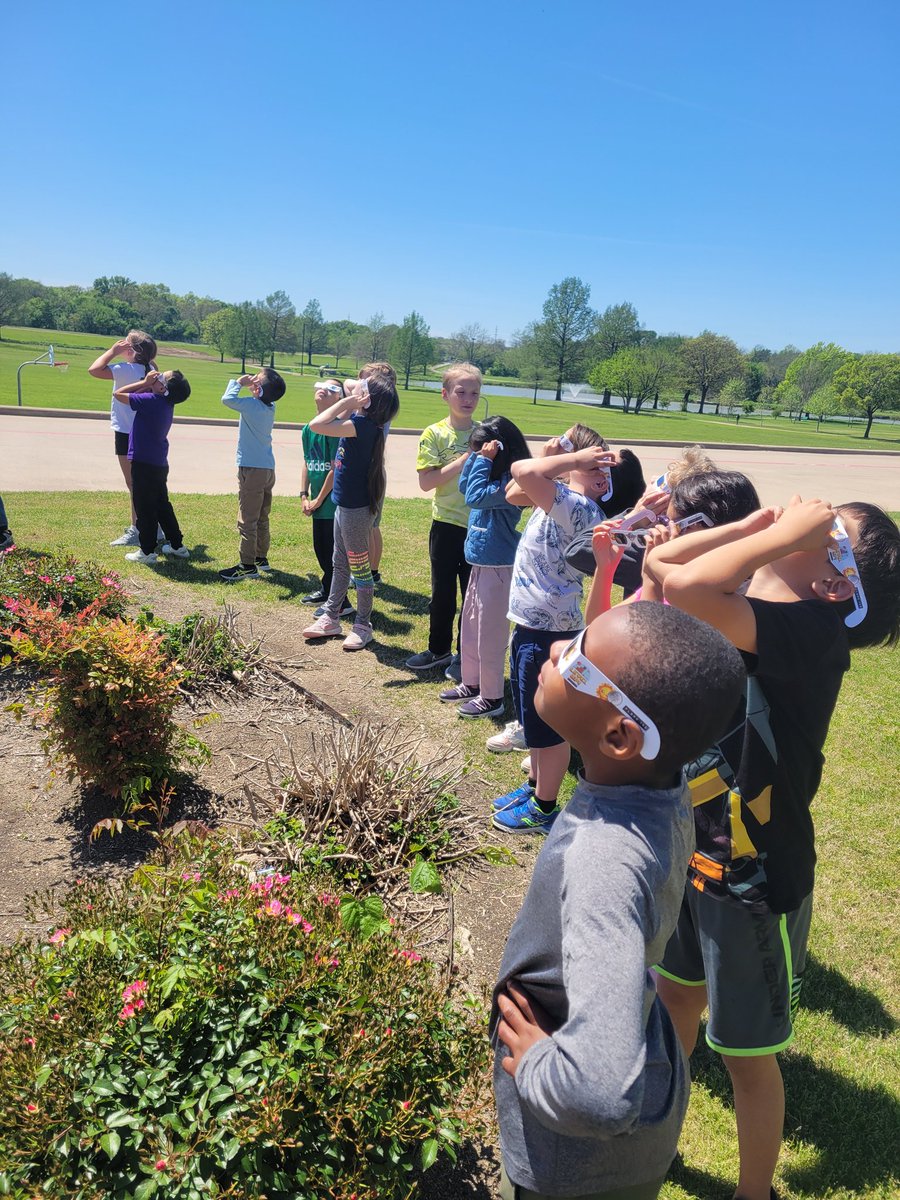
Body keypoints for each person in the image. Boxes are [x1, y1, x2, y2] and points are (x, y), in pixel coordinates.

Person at [642, 496, 900, 1200]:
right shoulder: (758, 601)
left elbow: (688, 588)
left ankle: (755, 1194)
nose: (804, 517)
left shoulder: (812, 635)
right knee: (673, 1004)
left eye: (827, 530)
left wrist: (778, 535)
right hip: (697, 851)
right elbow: (664, 569)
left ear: (836, 583)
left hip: (756, 877)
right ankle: (656, 1145)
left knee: (748, 1056)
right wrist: (754, 530)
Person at [492, 602, 747, 1200]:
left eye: (577, 661)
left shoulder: (603, 859)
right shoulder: (663, 785)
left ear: (618, 735)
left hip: (573, 1167)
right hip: (627, 1135)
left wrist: (535, 1065)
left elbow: (600, 1094)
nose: (557, 651)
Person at [490, 425, 615, 833]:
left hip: (546, 629)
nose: (602, 472)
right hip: (535, 623)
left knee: (548, 728)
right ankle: (534, 786)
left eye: (604, 465)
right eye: (593, 463)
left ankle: (544, 808)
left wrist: (571, 462)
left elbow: (522, 471)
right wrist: (557, 463)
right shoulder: (562, 497)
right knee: (534, 719)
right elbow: (513, 491)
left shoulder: (575, 505)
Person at [439, 416, 531, 718]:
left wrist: (483, 461)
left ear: (500, 449)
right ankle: (471, 681)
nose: (479, 455)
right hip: (480, 563)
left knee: (490, 635)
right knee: (471, 628)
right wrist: (478, 458)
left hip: (498, 567)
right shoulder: (488, 471)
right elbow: (466, 486)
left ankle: (492, 697)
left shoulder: (512, 484)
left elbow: (476, 498)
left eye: (483, 450)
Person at [301, 373, 400, 651]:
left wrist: (348, 402)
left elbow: (317, 424)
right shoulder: (362, 422)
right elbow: (347, 387)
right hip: (343, 505)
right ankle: (332, 617)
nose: (354, 389)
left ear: (368, 401)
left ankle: (362, 625)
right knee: (339, 563)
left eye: (361, 390)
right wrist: (354, 398)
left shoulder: (361, 425)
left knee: (359, 569)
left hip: (355, 510)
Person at [405, 363, 482, 673]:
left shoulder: (485, 434)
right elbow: (427, 482)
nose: (468, 399)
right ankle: (438, 650)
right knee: (442, 595)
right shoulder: (434, 434)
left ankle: (466, 657)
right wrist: (465, 459)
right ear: (445, 394)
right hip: (446, 525)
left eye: (474, 393)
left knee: (473, 597)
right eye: (460, 392)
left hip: (478, 527)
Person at [111, 369, 192, 564]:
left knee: (144, 507)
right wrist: (149, 384)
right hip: (158, 463)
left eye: (160, 377)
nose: (156, 376)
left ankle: (146, 551)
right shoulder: (165, 402)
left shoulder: (152, 401)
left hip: (143, 462)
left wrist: (145, 382)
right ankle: (177, 545)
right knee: (162, 505)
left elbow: (118, 394)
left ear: (163, 387)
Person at [88, 331, 158, 546]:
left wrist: (112, 351)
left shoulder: (124, 369)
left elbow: (94, 370)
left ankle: (139, 529)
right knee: (144, 482)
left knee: (134, 484)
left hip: (126, 432)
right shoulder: (152, 370)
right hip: (146, 432)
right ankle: (153, 526)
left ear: (132, 351)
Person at [218, 368, 287, 582]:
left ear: (258, 389)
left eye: (256, 379)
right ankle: (260, 558)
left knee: (247, 518)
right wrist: (256, 386)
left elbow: (227, 399)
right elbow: (259, 395)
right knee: (262, 516)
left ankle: (246, 565)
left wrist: (238, 382)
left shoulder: (252, 406)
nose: (252, 379)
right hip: (267, 468)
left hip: (251, 468)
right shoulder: (269, 406)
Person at [300, 379, 352, 617]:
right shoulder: (308, 428)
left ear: (339, 399)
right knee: (320, 549)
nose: (323, 389)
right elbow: (307, 461)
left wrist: (319, 500)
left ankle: (341, 602)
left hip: (331, 504)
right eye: (321, 385)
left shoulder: (337, 428)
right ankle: (327, 590)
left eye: (332, 389)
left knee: (331, 553)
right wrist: (304, 494)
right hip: (316, 501)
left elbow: (335, 469)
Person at [355, 361, 397, 587]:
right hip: (367, 469)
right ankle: (372, 571)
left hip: (371, 472)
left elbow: (349, 384)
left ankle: (371, 572)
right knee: (371, 525)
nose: (360, 382)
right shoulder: (373, 401)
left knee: (370, 525)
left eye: (366, 379)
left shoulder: (381, 403)